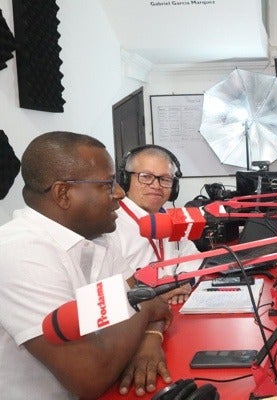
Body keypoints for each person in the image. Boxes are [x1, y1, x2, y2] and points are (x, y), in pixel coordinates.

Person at [0, 131, 173, 399]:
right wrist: (146, 310)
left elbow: (149, 303)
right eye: (107, 184)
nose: (119, 193)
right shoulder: (19, 252)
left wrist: (150, 335)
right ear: (63, 194)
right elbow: (88, 375)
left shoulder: (97, 234)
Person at [112, 145, 202, 303]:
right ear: (125, 179)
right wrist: (153, 295)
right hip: (136, 316)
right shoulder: (111, 223)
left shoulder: (172, 217)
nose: (156, 185)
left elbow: (192, 256)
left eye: (165, 179)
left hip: (177, 307)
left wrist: (184, 280)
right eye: (146, 177)